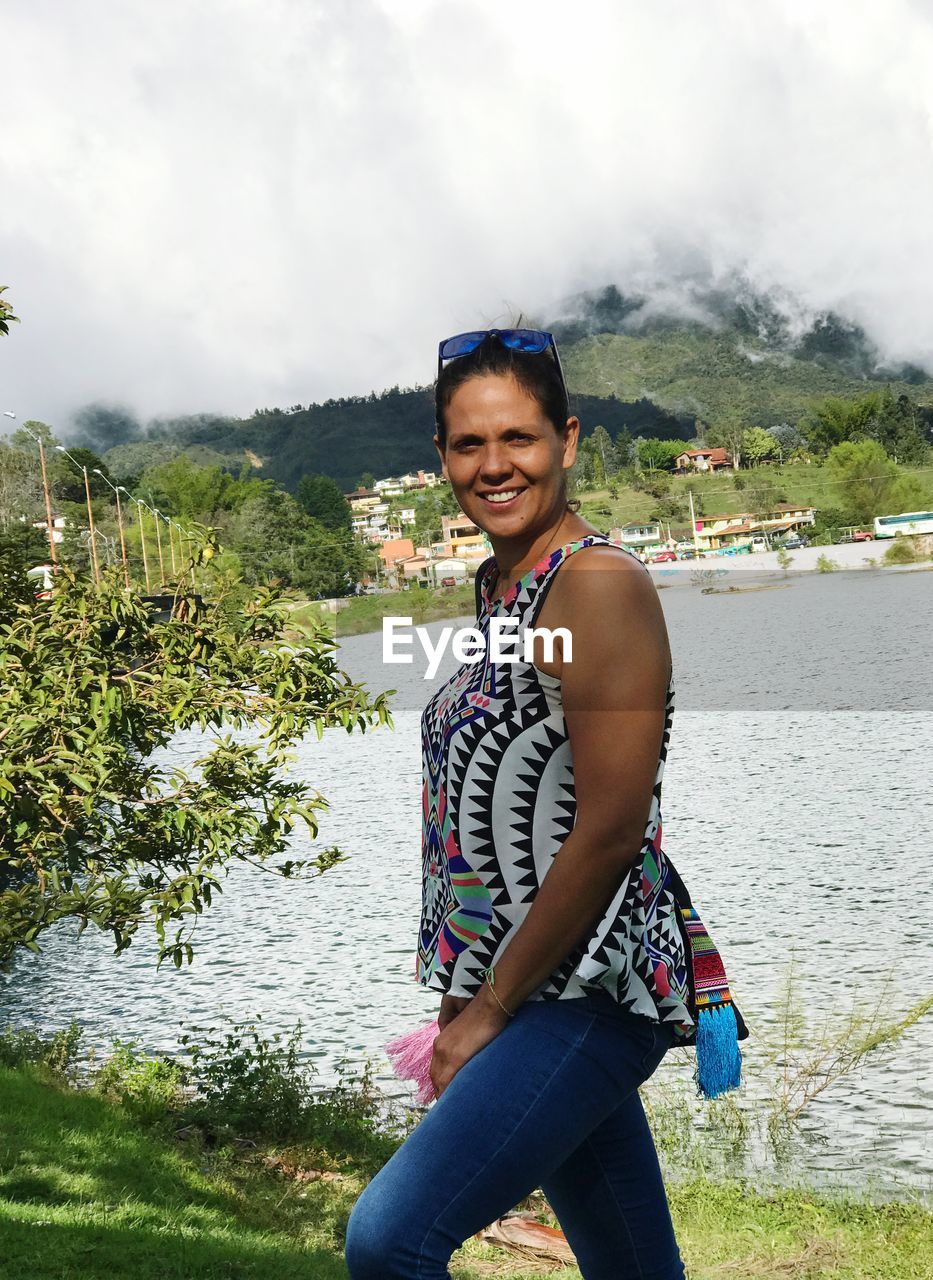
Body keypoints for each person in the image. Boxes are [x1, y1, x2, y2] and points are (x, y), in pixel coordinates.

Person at [345, 328, 745, 1280]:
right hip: (526, 989)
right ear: (440, 457)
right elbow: (482, 822)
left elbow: (608, 829)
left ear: (566, 440)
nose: (495, 466)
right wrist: (458, 994)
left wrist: (488, 1008)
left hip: (588, 993)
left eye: (518, 439)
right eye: (469, 444)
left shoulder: (596, 586)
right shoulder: (502, 589)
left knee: (389, 1240)